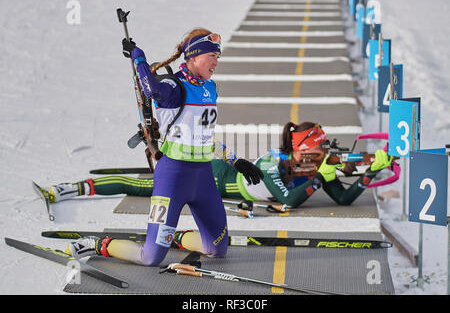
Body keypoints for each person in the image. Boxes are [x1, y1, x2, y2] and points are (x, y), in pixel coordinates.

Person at [64, 28, 264, 266]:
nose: (216, 62)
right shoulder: (173, 86)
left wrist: (235, 160)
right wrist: (138, 57)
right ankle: (98, 244)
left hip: (203, 178)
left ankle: (176, 238)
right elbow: (152, 90)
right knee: (150, 258)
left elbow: (203, 136)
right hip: (172, 178)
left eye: (218, 57)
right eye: (212, 56)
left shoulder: (210, 89)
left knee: (217, 249)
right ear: (194, 56)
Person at [49, 122, 394, 214]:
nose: (325, 151)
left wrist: (368, 173)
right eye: (320, 147)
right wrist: (319, 178)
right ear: (303, 148)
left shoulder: (313, 167)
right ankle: (76, 187)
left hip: (220, 181)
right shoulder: (275, 162)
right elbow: (288, 200)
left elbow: (346, 200)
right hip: (212, 175)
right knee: (146, 186)